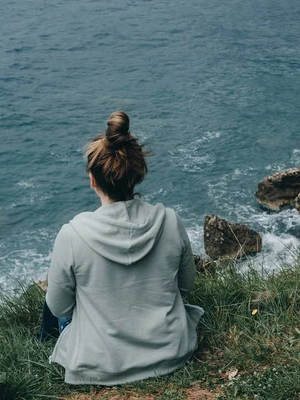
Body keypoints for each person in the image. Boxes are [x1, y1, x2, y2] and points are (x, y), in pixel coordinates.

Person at [42, 111, 204, 386]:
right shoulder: (170, 221)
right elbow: (185, 287)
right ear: (137, 175)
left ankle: (45, 349)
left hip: (99, 364)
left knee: (51, 302)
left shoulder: (72, 234)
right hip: (172, 351)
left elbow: (59, 308)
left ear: (93, 180)